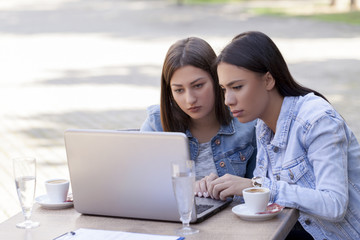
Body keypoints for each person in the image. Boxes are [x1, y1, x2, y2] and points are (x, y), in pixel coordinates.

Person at [207, 31, 360, 239]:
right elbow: (269, 201)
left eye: (237, 87)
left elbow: (334, 204)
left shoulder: (316, 119)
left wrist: (257, 186)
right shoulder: (262, 126)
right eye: (224, 89)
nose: (228, 100)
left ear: (268, 80)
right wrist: (218, 189)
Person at [140, 37, 257, 197]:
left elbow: (261, 190)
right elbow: (143, 184)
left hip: (233, 220)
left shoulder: (247, 124)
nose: (190, 99)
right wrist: (188, 187)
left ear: (217, 79)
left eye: (198, 86)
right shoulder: (156, 124)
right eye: (179, 90)